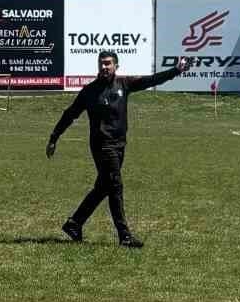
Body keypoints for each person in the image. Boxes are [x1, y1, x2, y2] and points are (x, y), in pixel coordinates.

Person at [45, 50, 189, 248]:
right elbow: (69, 114)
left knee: (103, 187)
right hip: (102, 146)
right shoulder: (89, 91)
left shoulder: (124, 84)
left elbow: (151, 80)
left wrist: (176, 70)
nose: (104, 67)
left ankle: (74, 223)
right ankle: (125, 235)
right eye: (101, 63)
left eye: (108, 63)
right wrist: (54, 137)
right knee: (115, 186)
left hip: (119, 145)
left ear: (116, 66)